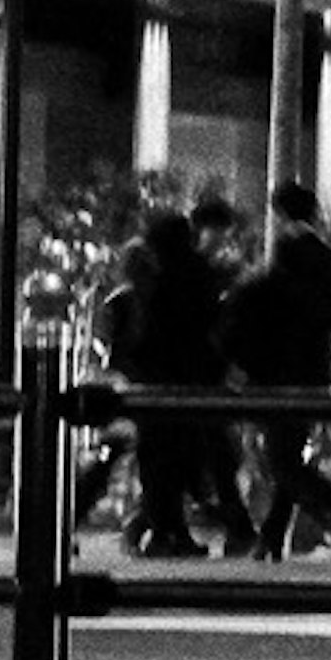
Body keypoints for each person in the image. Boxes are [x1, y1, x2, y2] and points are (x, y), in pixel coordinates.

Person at [222, 184, 331, 558]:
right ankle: (270, 538)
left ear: (280, 214)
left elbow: (272, 306)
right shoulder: (328, 257)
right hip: (313, 369)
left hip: (281, 370)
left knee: (280, 458)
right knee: (288, 452)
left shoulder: (286, 256)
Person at [96, 196, 236, 557]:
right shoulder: (196, 275)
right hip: (190, 379)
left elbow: (149, 335)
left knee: (160, 462)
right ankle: (165, 532)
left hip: (157, 380)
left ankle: (161, 531)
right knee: (181, 459)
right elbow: (209, 330)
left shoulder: (159, 280)